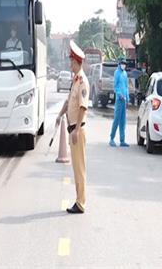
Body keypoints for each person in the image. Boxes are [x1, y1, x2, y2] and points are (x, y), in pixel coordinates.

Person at [56, 41, 90, 214]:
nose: (70, 65)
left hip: (78, 130)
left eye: (71, 62)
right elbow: (69, 102)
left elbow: (83, 107)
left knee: (79, 168)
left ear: (77, 62)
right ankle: (79, 200)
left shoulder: (82, 81)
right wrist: (60, 114)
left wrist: (76, 130)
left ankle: (81, 203)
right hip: (73, 129)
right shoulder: (75, 81)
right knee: (76, 169)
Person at [109, 58, 129, 147]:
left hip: (124, 100)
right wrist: (119, 94)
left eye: (125, 64)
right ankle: (112, 138)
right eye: (122, 63)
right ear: (119, 64)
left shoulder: (125, 73)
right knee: (116, 119)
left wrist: (127, 98)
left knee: (123, 121)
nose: (124, 65)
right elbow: (116, 86)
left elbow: (126, 87)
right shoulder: (117, 73)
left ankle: (122, 140)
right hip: (119, 99)